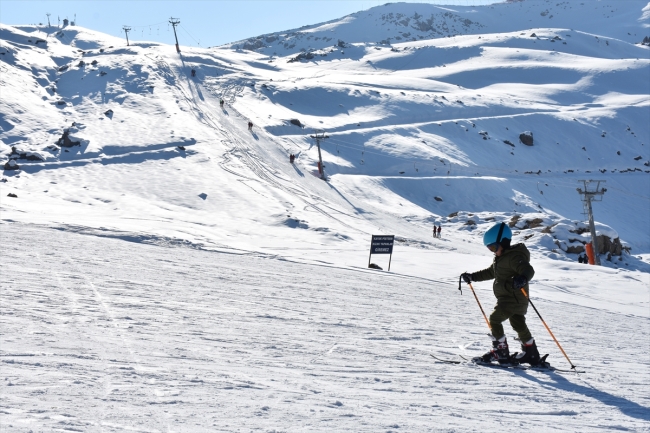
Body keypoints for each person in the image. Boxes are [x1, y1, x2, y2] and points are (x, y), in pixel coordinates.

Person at [460, 222, 540, 365]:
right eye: (490, 248)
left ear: (503, 242)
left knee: (495, 319)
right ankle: (531, 353)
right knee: (518, 324)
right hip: (512, 298)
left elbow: (528, 270)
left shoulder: (515, 257)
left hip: (513, 298)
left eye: (494, 247)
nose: (493, 251)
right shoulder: (501, 258)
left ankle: (501, 352)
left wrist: (522, 278)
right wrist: (472, 277)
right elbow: (491, 272)